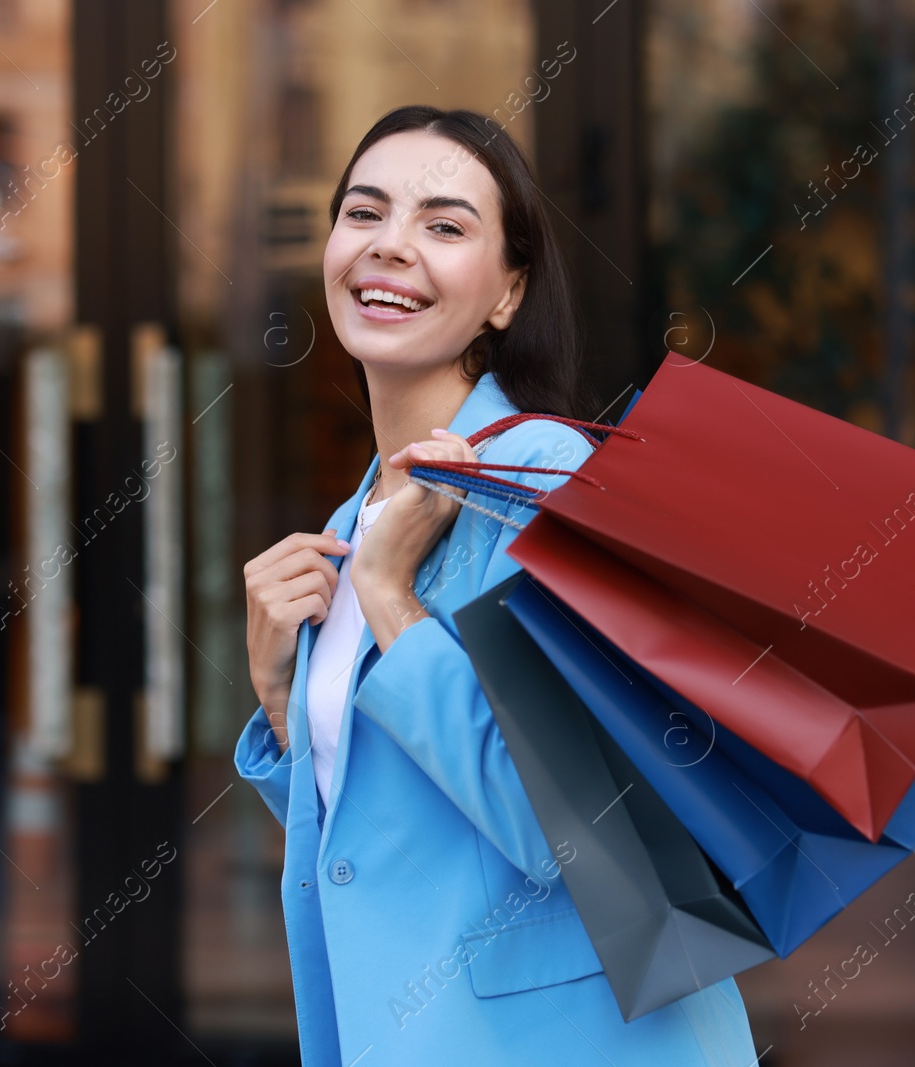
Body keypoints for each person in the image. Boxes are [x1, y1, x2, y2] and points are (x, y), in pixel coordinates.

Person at [235, 105, 759, 1066]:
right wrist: (278, 703)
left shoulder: (543, 478)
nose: (389, 247)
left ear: (509, 292)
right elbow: (390, 841)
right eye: (364, 213)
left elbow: (556, 819)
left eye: (443, 225)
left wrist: (393, 602)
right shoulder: (358, 518)